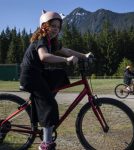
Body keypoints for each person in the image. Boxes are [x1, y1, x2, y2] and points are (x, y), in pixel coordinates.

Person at [19, 10, 92, 150]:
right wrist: (66, 60)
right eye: (52, 26)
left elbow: (68, 51)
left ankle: (43, 101)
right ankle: (46, 144)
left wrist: (84, 56)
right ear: (43, 26)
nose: (55, 30)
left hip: (38, 73)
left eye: (58, 27)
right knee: (50, 105)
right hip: (30, 76)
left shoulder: (51, 41)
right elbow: (44, 57)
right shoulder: (41, 39)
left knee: (60, 75)